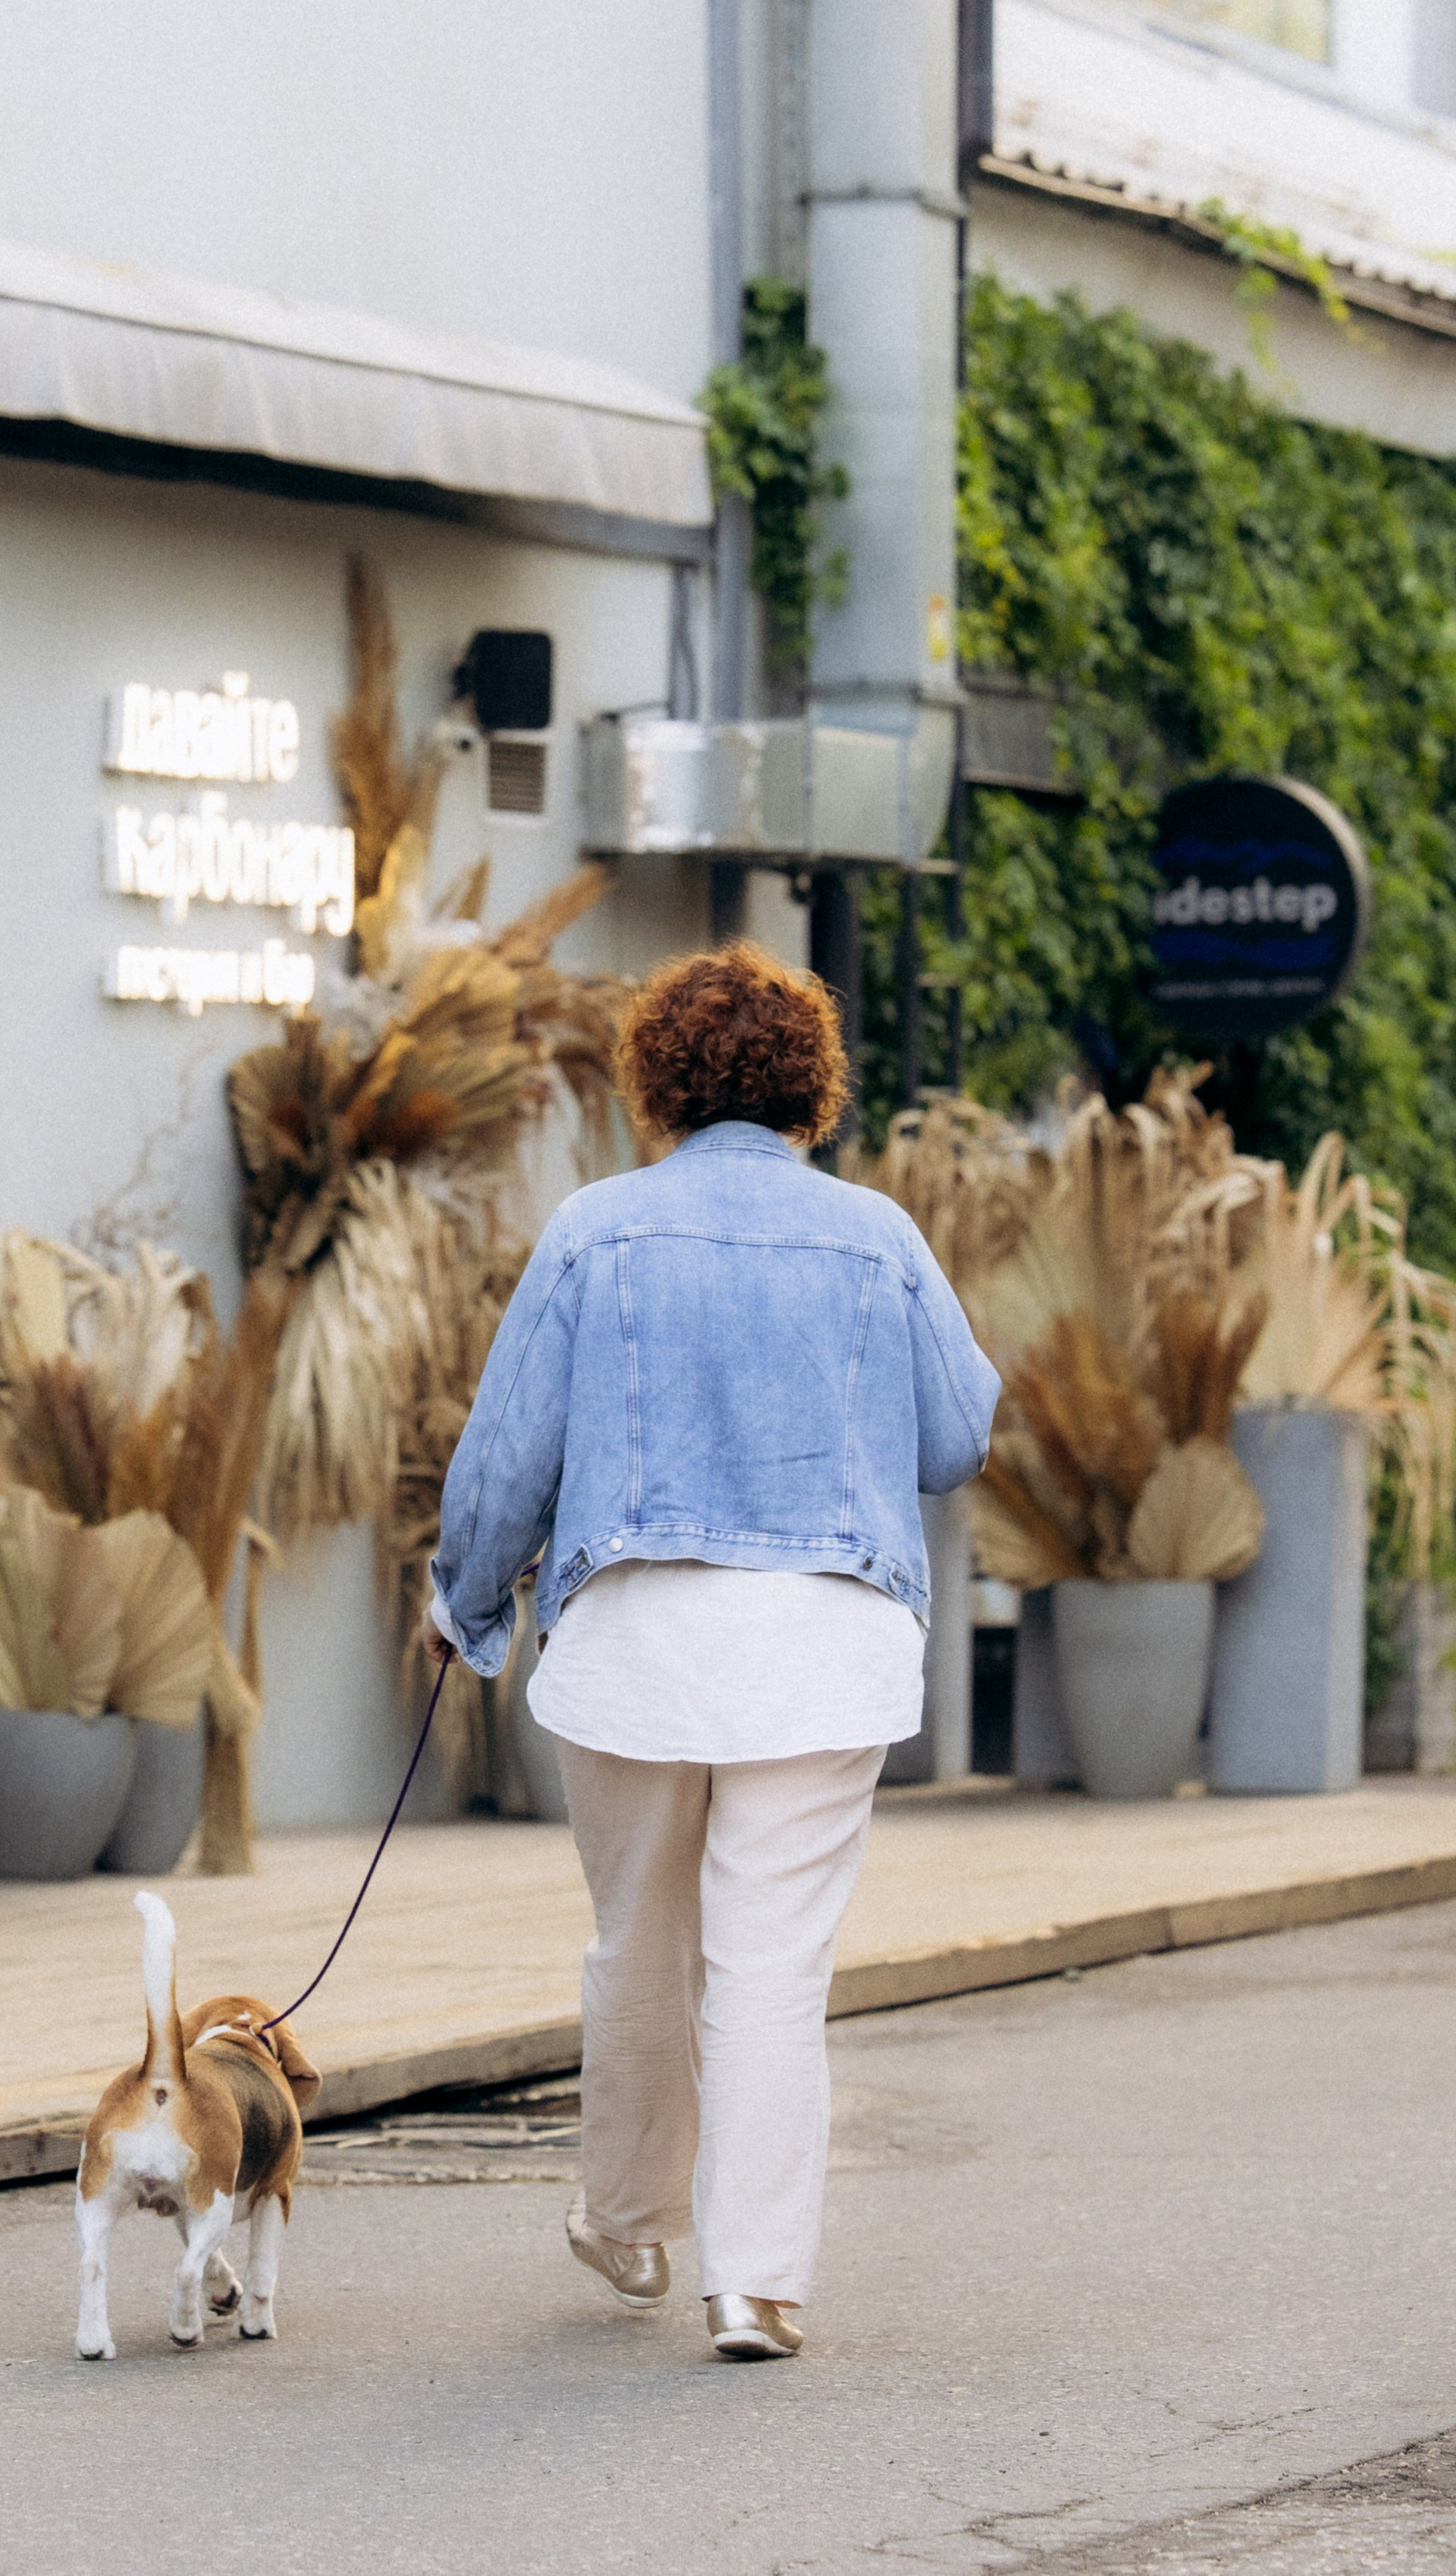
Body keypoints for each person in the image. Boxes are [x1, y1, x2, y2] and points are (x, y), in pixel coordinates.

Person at [425, 940, 999, 2361]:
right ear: (814, 1087)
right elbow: (957, 1433)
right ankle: (754, 2283)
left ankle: (625, 2221)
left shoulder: (597, 1228)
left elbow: (507, 1457)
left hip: (638, 1642)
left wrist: (469, 1600)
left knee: (641, 1942)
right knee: (767, 1969)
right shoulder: (878, 1237)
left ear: (657, 1083)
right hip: (823, 1636)